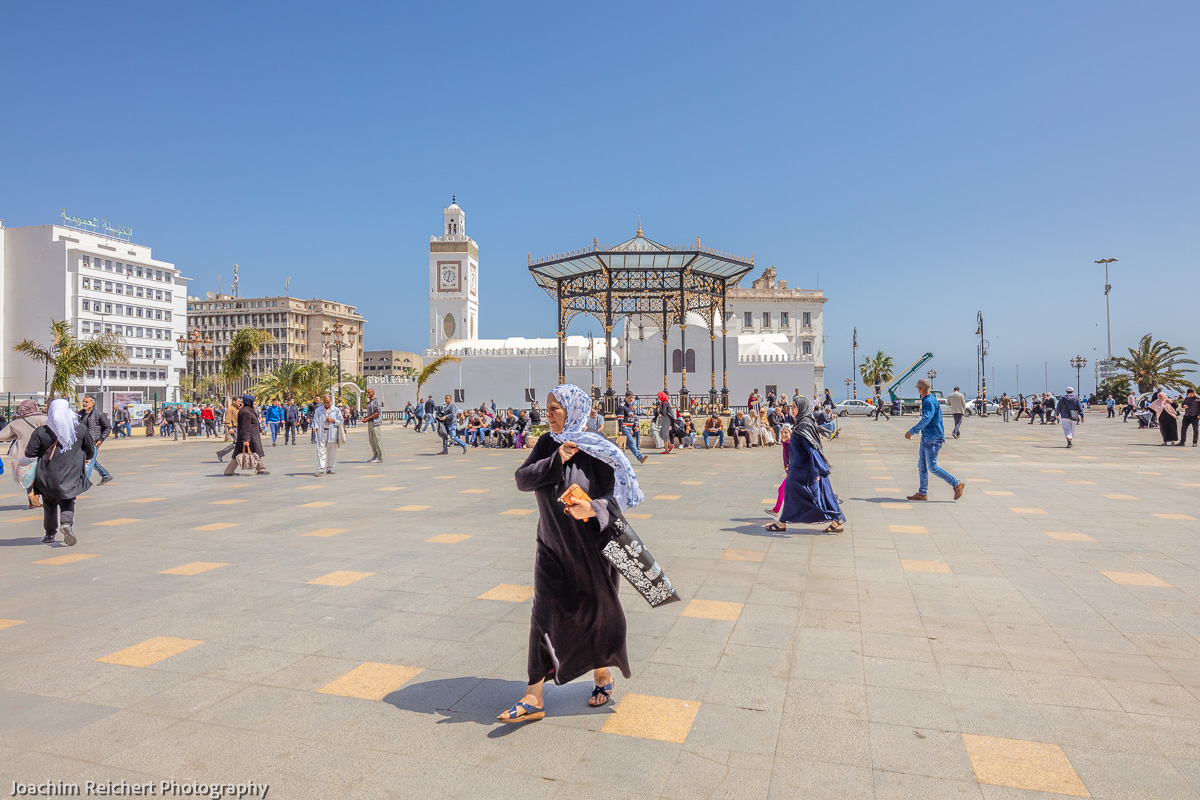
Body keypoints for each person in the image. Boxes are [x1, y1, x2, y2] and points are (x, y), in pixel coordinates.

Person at [498, 384, 643, 724]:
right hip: (551, 548)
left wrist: (591, 508)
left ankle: (602, 673)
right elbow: (522, 479)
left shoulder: (601, 449)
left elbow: (617, 498)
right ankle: (534, 696)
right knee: (542, 614)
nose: (546, 414)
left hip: (593, 552)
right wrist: (555, 460)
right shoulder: (549, 444)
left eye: (554, 409)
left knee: (597, 613)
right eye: (546, 408)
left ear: (573, 410)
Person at [765, 399, 845, 533]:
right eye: (792, 406)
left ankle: (782, 522)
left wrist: (817, 471)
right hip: (805, 467)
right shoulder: (804, 422)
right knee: (823, 494)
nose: (792, 409)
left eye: (795, 407)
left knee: (794, 491)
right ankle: (837, 520)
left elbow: (812, 450)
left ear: (802, 407)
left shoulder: (804, 425)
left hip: (805, 469)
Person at [26, 398, 95, 546]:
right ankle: (66, 524)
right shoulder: (80, 429)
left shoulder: (41, 431)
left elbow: (30, 453)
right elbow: (90, 451)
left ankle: (49, 534)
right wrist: (85, 457)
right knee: (68, 500)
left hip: (46, 475)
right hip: (71, 474)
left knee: (49, 504)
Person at [905, 378, 965, 502]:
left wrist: (912, 431)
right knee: (922, 466)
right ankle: (922, 493)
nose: (917, 390)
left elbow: (926, 418)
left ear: (920, 389)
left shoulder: (929, 402)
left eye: (917, 388)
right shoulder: (929, 400)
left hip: (933, 438)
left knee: (932, 466)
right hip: (927, 437)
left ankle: (956, 484)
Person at [0, 399, 48, 508]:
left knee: (29, 476)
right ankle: (37, 496)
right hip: (41, 451)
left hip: (23, 453)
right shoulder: (44, 419)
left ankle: (31, 500)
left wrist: (16, 435)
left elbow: (2, 436)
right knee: (42, 474)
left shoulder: (16, 422)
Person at [224, 395, 269, 476]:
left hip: (251, 436)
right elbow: (245, 426)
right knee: (254, 452)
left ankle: (229, 471)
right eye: (254, 401)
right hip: (249, 437)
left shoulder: (249, 410)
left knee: (242, 453)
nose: (255, 403)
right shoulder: (245, 412)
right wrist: (246, 439)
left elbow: (254, 423)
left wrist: (260, 429)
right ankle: (260, 469)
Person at [77, 396, 113, 486]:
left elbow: (108, 427)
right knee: (92, 461)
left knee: (88, 463)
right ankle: (106, 475)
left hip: (93, 442)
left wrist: (101, 439)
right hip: (82, 442)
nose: (84, 404)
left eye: (87, 402)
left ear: (93, 403)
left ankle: (84, 483)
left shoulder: (99, 414)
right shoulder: (80, 414)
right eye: (83, 402)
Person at [313, 394, 344, 475]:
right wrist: (315, 427)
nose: (326, 404)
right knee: (321, 450)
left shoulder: (336, 410)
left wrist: (333, 420)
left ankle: (330, 467)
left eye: (328, 402)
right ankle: (321, 468)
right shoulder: (318, 410)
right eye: (325, 402)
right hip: (321, 432)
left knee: (332, 451)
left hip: (332, 432)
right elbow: (315, 421)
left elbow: (341, 421)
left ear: (331, 401)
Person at [363, 388, 383, 462]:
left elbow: (378, 412)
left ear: (373, 393)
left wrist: (368, 418)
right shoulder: (369, 403)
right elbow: (370, 414)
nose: (367, 394)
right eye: (367, 392)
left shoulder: (376, 401)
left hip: (375, 423)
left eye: (369, 392)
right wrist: (365, 418)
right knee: (371, 440)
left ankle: (380, 457)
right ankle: (375, 455)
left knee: (377, 440)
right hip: (370, 423)